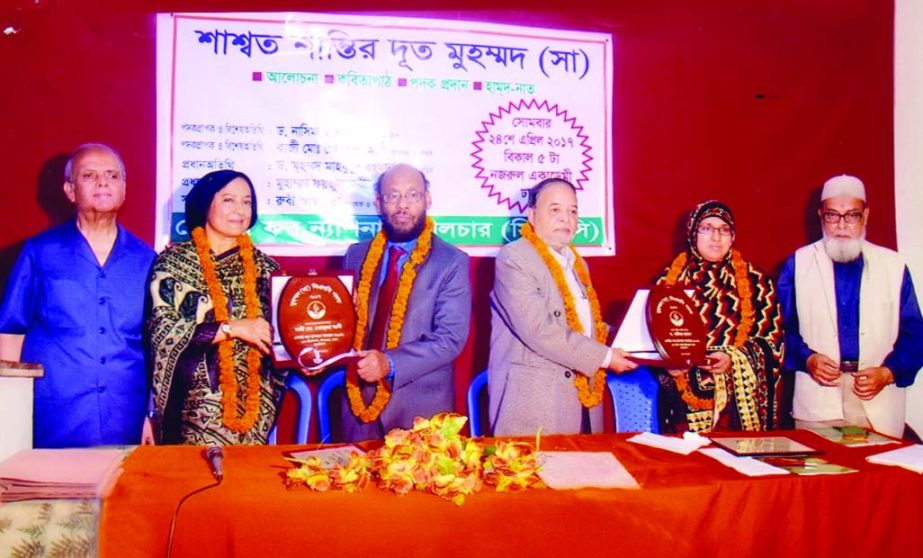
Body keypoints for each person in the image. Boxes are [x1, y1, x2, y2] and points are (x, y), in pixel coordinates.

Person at [0, 143, 155, 448]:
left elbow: (156, 344)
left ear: (124, 189)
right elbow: (10, 332)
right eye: (89, 175)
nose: (102, 182)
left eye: (112, 175)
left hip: (124, 415)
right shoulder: (39, 252)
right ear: (70, 191)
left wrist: (150, 414)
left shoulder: (147, 259)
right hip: (53, 414)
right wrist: (8, 412)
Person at [488, 178, 638, 436]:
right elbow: (540, 330)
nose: (566, 218)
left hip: (581, 407)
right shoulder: (514, 258)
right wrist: (605, 357)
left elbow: (584, 327)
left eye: (573, 210)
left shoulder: (576, 264)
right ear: (532, 216)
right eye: (555, 209)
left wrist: (636, 338)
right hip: (534, 411)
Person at [778, 175, 923, 438]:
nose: (841, 225)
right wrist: (808, 359)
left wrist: (889, 373)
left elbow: (915, 334)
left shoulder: (894, 266)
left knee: (878, 478)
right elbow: (782, 329)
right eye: (833, 215)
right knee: (820, 477)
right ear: (821, 216)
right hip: (817, 399)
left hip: (877, 400)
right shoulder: (797, 264)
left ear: (865, 216)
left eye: (852, 215)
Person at [148, 170, 284, 445]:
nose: (239, 210)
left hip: (254, 407)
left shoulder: (266, 269)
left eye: (246, 202)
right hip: (192, 407)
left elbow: (283, 334)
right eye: (228, 200)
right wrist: (231, 328)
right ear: (205, 204)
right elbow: (162, 334)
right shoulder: (174, 264)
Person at [338, 163, 471, 442]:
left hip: (421, 417)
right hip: (358, 409)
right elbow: (343, 325)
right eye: (392, 196)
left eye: (413, 195)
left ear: (427, 199)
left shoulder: (452, 262)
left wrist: (389, 363)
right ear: (378, 203)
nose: (403, 205)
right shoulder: (356, 256)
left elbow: (450, 339)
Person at [654, 200, 784, 433]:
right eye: (707, 228)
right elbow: (649, 342)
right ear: (693, 234)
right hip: (682, 405)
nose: (716, 237)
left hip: (740, 409)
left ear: (733, 237)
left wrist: (732, 358)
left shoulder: (757, 283)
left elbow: (773, 343)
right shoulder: (667, 282)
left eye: (724, 229)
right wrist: (666, 365)